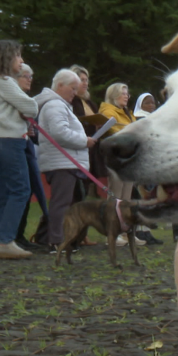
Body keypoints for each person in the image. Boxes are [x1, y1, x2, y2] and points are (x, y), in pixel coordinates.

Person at [0, 40, 39, 259]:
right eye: (17, 56)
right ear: (7, 58)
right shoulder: (5, 81)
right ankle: (5, 240)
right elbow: (31, 107)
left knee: (1, 192)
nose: (21, 61)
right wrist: (23, 108)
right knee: (21, 189)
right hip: (9, 141)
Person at [34, 69, 97, 254]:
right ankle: (56, 240)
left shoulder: (59, 105)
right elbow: (59, 133)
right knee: (61, 203)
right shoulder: (55, 105)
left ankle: (63, 239)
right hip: (61, 162)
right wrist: (84, 140)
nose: (75, 92)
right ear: (60, 85)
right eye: (73, 88)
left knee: (68, 202)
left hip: (65, 161)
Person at [98, 83, 144, 246]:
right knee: (115, 197)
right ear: (114, 95)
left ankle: (125, 232)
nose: (126, 96)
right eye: (123, 93)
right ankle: (112, 232)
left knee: (126, 198)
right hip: (116, 159)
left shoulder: (127, 113)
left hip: (129, 159)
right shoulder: (108, 112)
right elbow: (115, 133)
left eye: (127, 93)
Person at [13, 63, 48, 251]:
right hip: (15, 146)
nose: (30, 79)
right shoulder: (11, 97)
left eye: (31, 76)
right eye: (25, 76)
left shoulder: (24, 98)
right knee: (19, 191)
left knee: (28, 192)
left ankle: (19, 234)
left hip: (27, 146)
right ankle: (11, 235)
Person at [69, 64, 100, 246]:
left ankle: (83, 234)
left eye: (87, 80)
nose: (85, 83)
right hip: (76, 150)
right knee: (75, 194)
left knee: (85, 193)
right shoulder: (71, 102)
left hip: (90, 150)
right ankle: (73, 232)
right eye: (81, 79)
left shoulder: (90, 102)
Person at [130, 92, 164, 245]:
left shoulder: (153, 118)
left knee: (148, 198)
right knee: (141, 197)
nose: (151, 106)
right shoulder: (138, 119)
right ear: (140, 105)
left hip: (151, 163)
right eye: (147, 103)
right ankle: (139, 231)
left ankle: (146, 231)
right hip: (141, 164)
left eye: (153, 103)